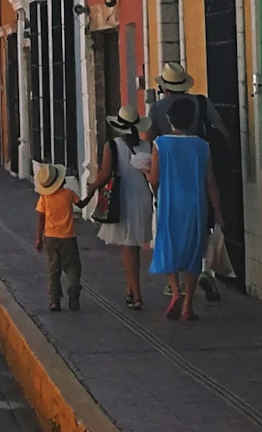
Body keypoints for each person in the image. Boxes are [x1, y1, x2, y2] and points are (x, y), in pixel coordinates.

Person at [147, 62, 228, 302]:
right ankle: (203, 272)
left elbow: (148, 138)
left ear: (165, 87)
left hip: (170, 185)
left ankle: (175, 286)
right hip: (198, 179)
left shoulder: (158, 110)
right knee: (200, 232)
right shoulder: (201, 103)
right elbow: (221, 129)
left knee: (171, 235)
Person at [86, 108, 154, 311]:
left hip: (124, 198)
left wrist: (90, 191)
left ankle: (137, 295)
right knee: (134, 247)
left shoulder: (112, 146)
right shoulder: (146, 146)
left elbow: (105, 174)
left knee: (128, 249)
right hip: (142, 198)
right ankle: (130, 288)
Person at [32, 163, 82, 311]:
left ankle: (55, 301)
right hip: (69, 237)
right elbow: (82, 204)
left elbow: (41, 218)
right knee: (73, 265)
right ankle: (73, 285)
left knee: (53, 269)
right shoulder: (68, 194)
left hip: (50, 238)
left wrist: (38, 239)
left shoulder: (44, 198)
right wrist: (92, 191)